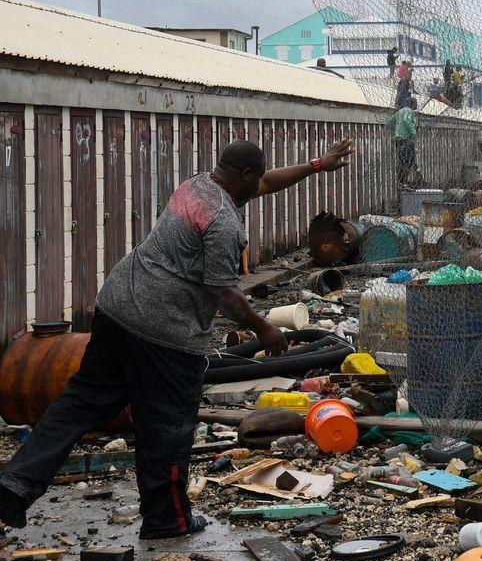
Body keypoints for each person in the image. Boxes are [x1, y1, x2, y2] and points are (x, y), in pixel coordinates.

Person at [0, 138, 354, 539]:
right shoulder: (222, 221)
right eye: (256, 178)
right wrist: (265, 329)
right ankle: (166, 520)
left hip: (117, 307)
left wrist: (316, 165)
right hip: (163, 332)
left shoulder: (198, 185)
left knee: (80, 403)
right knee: (166, 426)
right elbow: (225, 293)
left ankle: (16, 483)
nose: (260, 186)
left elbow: (267, 182)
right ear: (244, 175)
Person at [390, 95, 419, 186]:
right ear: (413, 105)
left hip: (398, 141)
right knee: (408, 162)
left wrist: (395, 132)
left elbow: (390, 123)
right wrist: (412, 132)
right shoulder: (409, 112)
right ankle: (403, 182)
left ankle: (402, 182)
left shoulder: (399, 112)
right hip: (406, 140)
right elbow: (406, 121)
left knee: (403, 161)